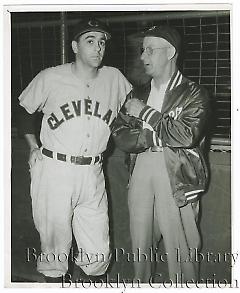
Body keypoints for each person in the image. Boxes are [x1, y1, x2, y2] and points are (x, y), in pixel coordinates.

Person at [18, 18, 132, 282]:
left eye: (102, 42)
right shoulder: (51, 76)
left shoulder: (114, 78)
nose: (98, 48)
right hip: (55, 170)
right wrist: (33, 146)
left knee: (98, 250)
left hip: (93, 171)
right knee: (55, 248)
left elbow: (130, 111)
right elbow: (23, 112)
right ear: (74, 46)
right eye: (90, 41)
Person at [112, 25, 210, 283]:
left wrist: (145, 114)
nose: (143, 56)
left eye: (150, 50)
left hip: (175, 171)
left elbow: (186, 135)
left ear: (170, 53)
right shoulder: (138, 92)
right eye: (143, 50)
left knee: (181, 243)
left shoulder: (193, 93)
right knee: (140, 239)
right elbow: (119, 133)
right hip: (142, 165)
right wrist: (151, 136)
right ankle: (141, 284)